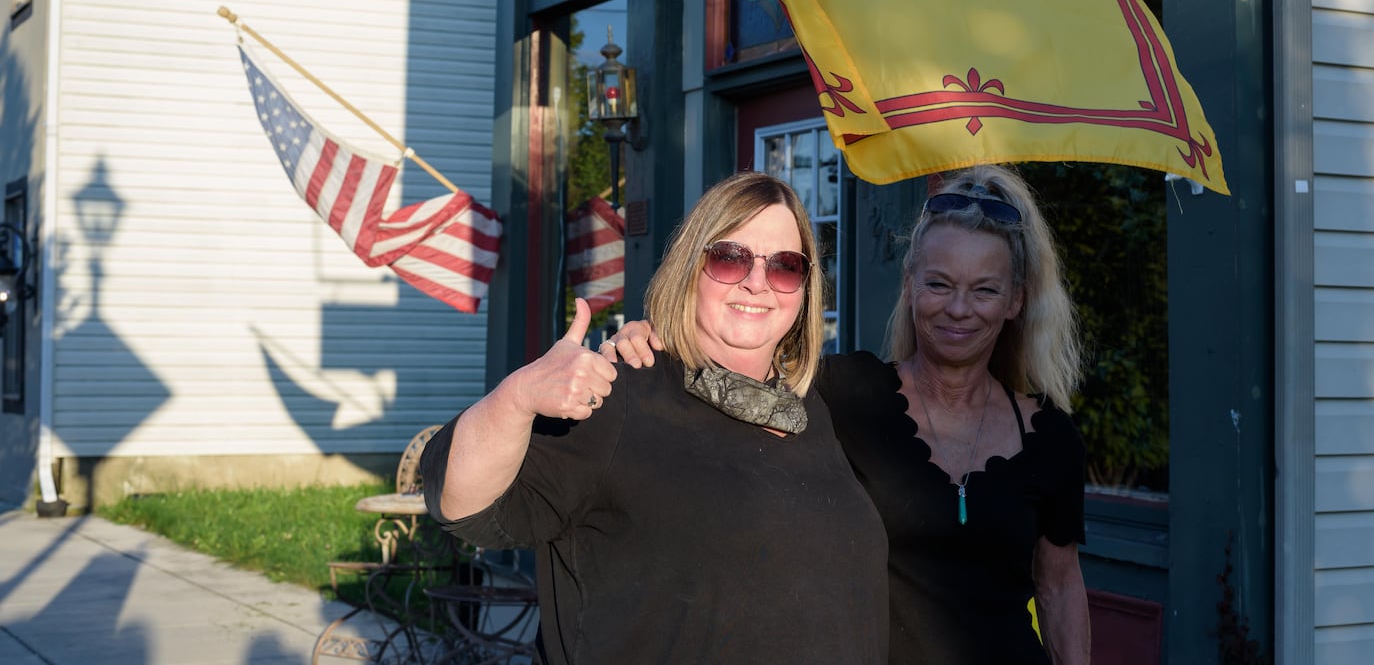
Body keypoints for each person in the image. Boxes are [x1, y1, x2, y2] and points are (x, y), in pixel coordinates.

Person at [607, 164, 1090, 664]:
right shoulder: (840, 395)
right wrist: (656, 347)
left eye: (985, 290)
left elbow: (1059, 591)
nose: (959, 309)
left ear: (1015, 300)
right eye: (940, 284)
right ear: (910, 284)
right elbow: (731, 378)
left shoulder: (1051, 439)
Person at [420, 171, 889, 665]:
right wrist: (517, 397)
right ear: (690, 266)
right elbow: (461, 504)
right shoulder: (624, 392)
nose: (757, 283)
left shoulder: (817, 407)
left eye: (785, 266)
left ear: (805, 287)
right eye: (730, 258)